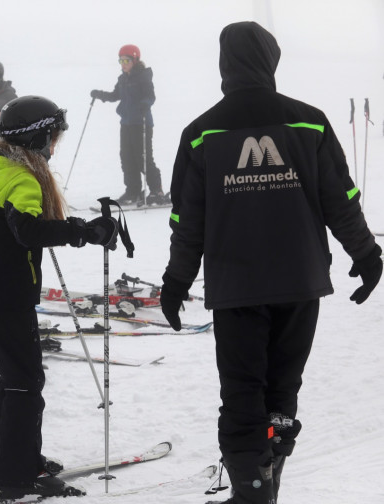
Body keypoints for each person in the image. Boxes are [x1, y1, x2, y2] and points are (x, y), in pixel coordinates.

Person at [159, 22, 382, 504]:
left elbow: (187, 221)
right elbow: (340, 200)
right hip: (299, 281)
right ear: (270, 59)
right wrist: (365, 253)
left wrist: (176, 281)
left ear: (225, 63)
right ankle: (265, 480)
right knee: (282, 385)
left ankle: (253, 491)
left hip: (238, 285)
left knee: (242, 390)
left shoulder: (201, 133)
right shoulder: (309, 121)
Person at [0, 95, 118, 502]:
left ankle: (7, 460)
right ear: (36, 137)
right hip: (6, 296)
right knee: (25, 381)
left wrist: (75, 228)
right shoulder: (22, 179)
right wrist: (84, 232)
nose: (53, 147)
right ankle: (14, 477)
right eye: (52, 139)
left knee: (16, 378)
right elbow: (28, 231)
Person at [91, 44, 167, 206]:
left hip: (141, 123)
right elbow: (115, 95)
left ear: (135, 60)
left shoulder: (143, 77)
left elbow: (150, 96)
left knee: (143, 158)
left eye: (126, 60)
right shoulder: (123, 79)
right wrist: (99, 94)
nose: (123, 63)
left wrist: (145, 103)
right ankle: (133, 191)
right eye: (121, 60)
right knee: (126, 158)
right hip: (126, 123)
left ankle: (156, 191)